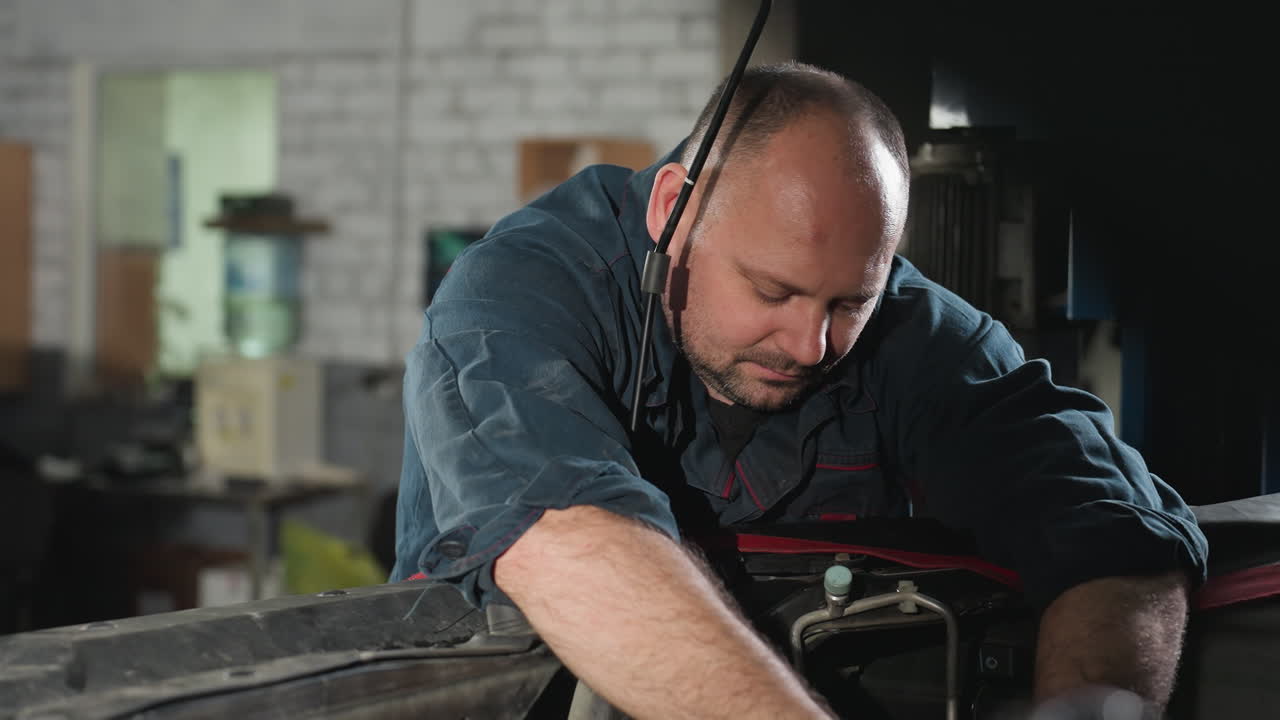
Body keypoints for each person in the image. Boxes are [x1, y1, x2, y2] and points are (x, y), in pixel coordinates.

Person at [392, 62, 1207, 719]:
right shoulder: (518, 293)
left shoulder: (909, 328)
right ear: (676, 209)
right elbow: (565, 537)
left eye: (850, 302)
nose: (813, 344)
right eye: (774, 292)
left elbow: (1109, 524)